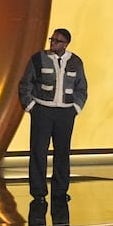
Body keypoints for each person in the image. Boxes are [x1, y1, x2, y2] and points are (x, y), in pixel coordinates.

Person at [18, 28, 89, 206]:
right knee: (38, 152)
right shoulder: (38, 58)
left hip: (65, 113)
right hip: (42, 111)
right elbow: (25, 84)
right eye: (52, 39)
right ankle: (39, 192)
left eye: (57, 41)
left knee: (63, 152)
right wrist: (31, 106)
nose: (53, 43)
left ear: (66, 44)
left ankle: (60, 191)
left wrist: (76, 108)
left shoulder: (75, 61)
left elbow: (82, 87)